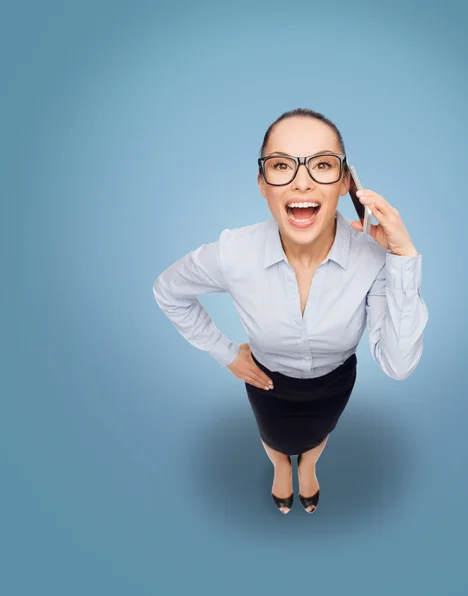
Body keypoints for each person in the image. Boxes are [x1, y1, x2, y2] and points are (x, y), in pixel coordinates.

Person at [153, 108, 429, 514]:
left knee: (319, 433)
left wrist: (403, 258)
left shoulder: (375, 258)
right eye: (282, 165)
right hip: (266, 381)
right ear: (263, 184)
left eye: (322, 165)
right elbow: (169, 291)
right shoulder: (233, 253)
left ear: (345, 183)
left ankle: (309, 467)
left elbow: (398, 364)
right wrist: (226, 353)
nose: (302, 181)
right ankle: (282, 466)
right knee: (273, 436)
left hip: (334, 383)